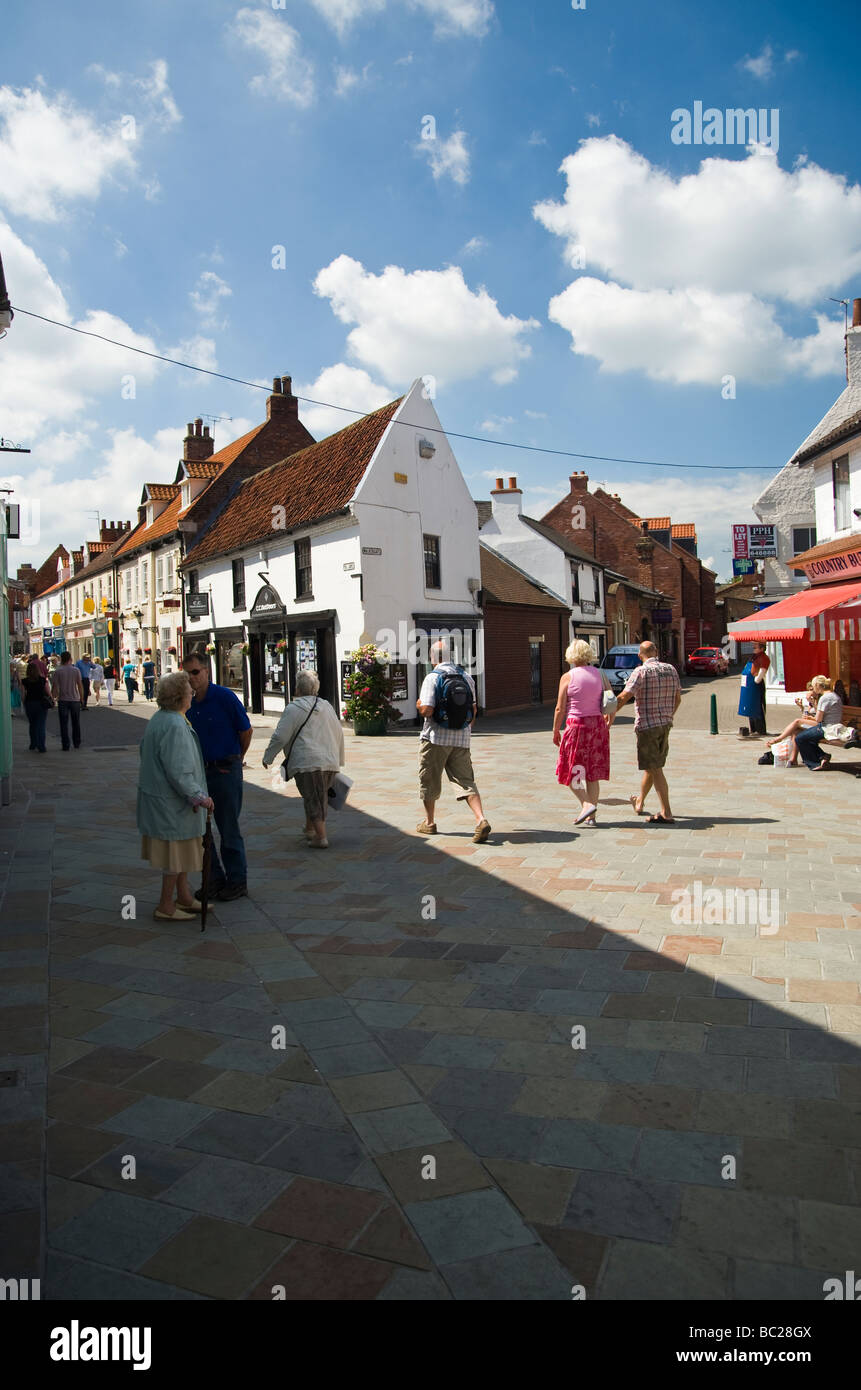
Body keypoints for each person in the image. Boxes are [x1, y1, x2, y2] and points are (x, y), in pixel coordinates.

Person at [137, 671, 214, 921]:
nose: (192, 694)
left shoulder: (161, 718)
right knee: (175, 856)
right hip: (173, 804)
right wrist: (198, 796)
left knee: (182, 853)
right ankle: (165, 905)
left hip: (165, 800)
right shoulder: (174, 724)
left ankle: (183, 896)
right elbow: (179, 769)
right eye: (189, 691)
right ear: (180, 697)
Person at [182, 647, 252, 901]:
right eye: (187, 673)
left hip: (224, 770)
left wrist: (235, 759)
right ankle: (213, 879)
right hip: (200, 773)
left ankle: (237, 881)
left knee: (228, 827)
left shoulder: (224, 697)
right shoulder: (186, 703)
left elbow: (246, 731)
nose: (191, 678)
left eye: (196, 672)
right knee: (202, 830)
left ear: (207, 671)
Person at [415, 639, 490, 842]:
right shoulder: (466, 677)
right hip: (462, 739)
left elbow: (428, 710)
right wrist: (464, 728)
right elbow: (473, 711)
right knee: (466, 781)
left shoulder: (432, 678)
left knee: (429, 779)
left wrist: (419, 705)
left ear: (433, 658)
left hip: (435, 738)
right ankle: (480, 819)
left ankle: (429, 823)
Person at [261, 669, 345, 848]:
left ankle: (321, 837)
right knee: (315, 795)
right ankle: (310, 829)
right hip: (328, 760)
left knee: (314, 797)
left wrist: (268, 757)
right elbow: (339, 732)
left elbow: (280, 736)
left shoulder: (293, 708)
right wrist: (339, 759)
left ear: (297, 689)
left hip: (307, 760)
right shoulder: (326, 706)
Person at [608, 639, 682, 823]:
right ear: (656, 652)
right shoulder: (671, 669)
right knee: (652, 766)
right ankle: (640, 803)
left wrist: (608, 714)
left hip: (647, 726)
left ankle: (666, 812)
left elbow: (625, 695)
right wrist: (668, 716)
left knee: (655, 768)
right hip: (665, 724)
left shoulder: (640, 671)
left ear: (640, 655)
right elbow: (678, 698)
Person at [553, 639, 611, 827]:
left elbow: (560, 708)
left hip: (576, 726)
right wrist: (611, 718)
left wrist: (555, 730)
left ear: (571, 655)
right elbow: (611, 699)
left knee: (571, 771)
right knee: (592, 773)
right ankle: (591, 817)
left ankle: (586, 804)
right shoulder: (600, 674)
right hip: (597, 726)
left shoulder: (568, 677)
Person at [765, 677, 828, 766]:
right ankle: (793, 759)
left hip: (821, 724)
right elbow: (807, 716)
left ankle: (778, 739)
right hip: (814, 723)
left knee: (797, 721)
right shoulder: (812, 701)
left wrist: (813, 704)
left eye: (811, 689)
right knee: (796, 732)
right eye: (809, 689)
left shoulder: (821, 700)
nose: (809, 691)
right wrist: (802, 707)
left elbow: (819, 717)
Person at [795, 676, 845, 771]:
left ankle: (814, 763)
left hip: (827, 728)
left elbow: (818, 719)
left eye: (813, 686)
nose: (813, 689)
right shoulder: (834, 695)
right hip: (835, 726)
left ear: (818, 686)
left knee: (800, 738)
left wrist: (811, 717)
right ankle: (822, 756)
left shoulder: (824, 698)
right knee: (809, 738)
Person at [51, 651, 84, 751]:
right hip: (74, 699)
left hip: (63, 700)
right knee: (76, 722)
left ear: (61, 659)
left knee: (63, 723)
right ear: (70, 659)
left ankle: (65, 744)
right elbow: (79, 685)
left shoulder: (58, 671)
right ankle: (77, 742)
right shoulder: (76, 670)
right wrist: (82, 698)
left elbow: (55, 687)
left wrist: (53, 697)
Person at [22, 658, 51, 752]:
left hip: (30, 703)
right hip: (41, 703)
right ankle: (41, 746)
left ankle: (33, 744)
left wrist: (24, 703)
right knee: (41, 725)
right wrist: (52, 698)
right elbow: (47, 691)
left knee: (32, 724)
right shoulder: (42, 680)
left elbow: (23, 694)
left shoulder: (24, 681)